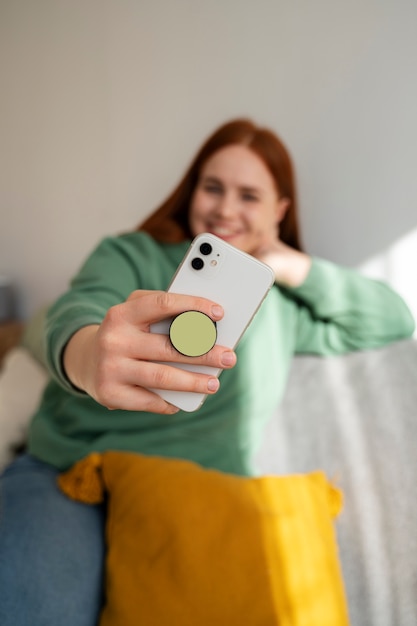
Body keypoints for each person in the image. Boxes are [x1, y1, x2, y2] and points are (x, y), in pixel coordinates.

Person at [0, 118, 414, 626]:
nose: (224, 208)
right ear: (191, 190)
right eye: (213, 187)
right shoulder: (132, 254)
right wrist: (87, 355)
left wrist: (287, 265)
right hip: (70, 475)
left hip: (191, 499)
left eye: (249, 196)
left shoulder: (280, 306)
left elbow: (393, 319)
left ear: (279, 211)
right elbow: (80, 308)